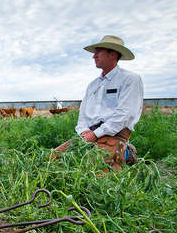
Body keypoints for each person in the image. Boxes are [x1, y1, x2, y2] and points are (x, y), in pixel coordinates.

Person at [54, 35, 144, 170]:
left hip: (115, 133)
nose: (94, 56)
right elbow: (83, 114)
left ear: (112, 54)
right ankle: (121, 155)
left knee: (94, 170)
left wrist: (96, 134)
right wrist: (84, 131)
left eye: (98, 52)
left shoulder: (130, 79)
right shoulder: (93, 85)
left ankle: (124, 152)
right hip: (89, 133)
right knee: (52, 159)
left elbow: (125, 114)